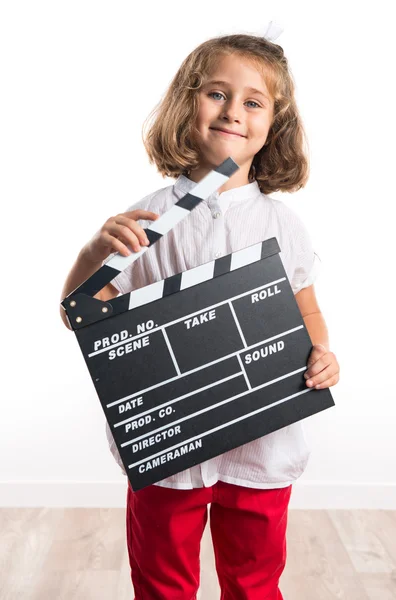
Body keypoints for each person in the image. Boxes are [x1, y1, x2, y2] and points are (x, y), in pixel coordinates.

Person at [60, 22, 340, 600]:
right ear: (186, 105)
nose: (233, 110)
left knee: (255, 580)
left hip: (261, 436)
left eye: (252, 101)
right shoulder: (146, 219)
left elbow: (307, 309)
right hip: (168, 439)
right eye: (216, 93)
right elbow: (79, 312)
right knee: (162, 581)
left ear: (273, 125)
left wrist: (322, 355)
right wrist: (94, 250)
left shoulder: (282, 225)